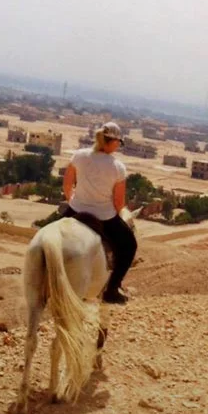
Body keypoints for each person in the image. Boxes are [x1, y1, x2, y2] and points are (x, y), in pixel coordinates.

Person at [62, 122, 137, 304]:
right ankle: (112, 290)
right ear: (112, 142)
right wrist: (115, 212)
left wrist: (73, 200)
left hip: (75, 210)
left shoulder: (79, 156)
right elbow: (119, 203)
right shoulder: (117, 167)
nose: (118, 146)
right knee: (129, 246)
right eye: (118, 142)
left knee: (48, 233)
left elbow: (67, 185)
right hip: (104, 217)